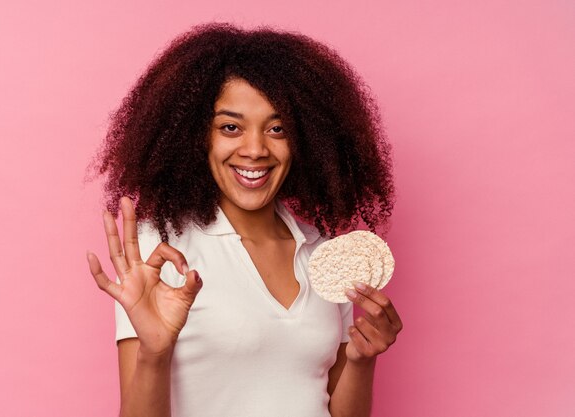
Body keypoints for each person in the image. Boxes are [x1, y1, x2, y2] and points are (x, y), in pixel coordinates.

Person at [86, 23, 402, 417]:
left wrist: (361, 359)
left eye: (277, 128)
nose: (255, 149)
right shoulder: (163, 250)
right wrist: (155, 352)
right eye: (231, 127)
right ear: (196, 136)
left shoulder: (320, 255)